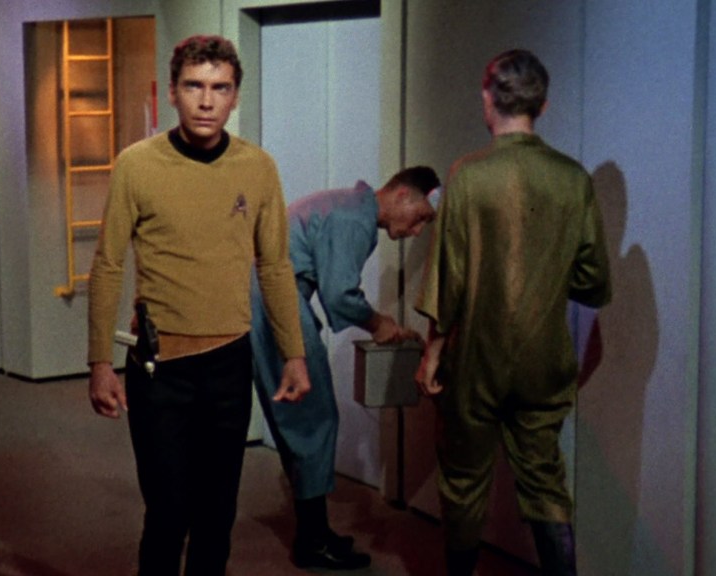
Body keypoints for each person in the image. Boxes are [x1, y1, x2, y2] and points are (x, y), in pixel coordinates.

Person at [86, 35, 311, 576]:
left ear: (235, 97)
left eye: (220, 88)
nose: (207, 101)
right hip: (159, 367)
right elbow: (108, 264)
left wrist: (294, 355)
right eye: (194, 86)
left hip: (228, 363)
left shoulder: (257, 168)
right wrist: (98, 362)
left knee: (216, 516)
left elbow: (275, 266)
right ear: (172, 93)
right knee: (167, 514)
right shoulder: (137, 165)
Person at [414, 49, 611, 576]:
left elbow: (448, 280)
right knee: (545, 481)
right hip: (544, 357)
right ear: (543, 105)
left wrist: (432, 353)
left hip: (476, 357)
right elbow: (593, 283)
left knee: (463, 480)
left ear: (487, 98)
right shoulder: (573, 179)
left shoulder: (468, 176)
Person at [250, 167, 440, 570]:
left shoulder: (347, 206)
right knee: (313, 417)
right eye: (421, 217)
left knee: (304, 419)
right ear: (402, 195)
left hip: (268, 297)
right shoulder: (355, 218)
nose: (417, 230)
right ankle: (312, 542)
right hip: (274, 300)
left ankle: (314, 533)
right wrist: (379, 323)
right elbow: (339, 294)